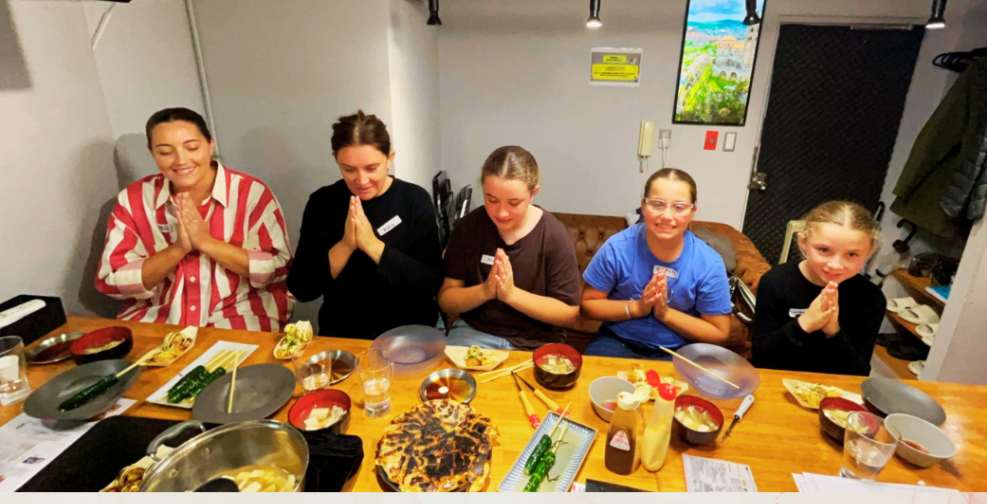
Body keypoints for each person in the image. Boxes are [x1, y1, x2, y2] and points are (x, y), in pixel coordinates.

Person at [96, 107, 293, 330]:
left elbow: (280, 268)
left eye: (192, 148)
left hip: (239, 310)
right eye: (165, 152)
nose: (181, 160)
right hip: (158, 315)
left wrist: (207, 243)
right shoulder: (134, 199)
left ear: (210, 144)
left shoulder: (250, 194)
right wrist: (178, 249)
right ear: (151, 153)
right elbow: (112, 281)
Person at [287, 110, 444, 340]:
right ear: (336, 160)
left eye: (371, 168)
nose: (361, 180)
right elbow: (302, 288)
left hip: (408, 333)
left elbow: (431, 282)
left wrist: (372, 245)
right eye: (349, 169)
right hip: (343, 334)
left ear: (389, 159)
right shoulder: (322, 203)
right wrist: (346, 245)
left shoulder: (413, 200)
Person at [580, 168, 733, 359]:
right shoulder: (617, 247)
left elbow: (719, 332)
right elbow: (587, 306)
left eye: (679, 207)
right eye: (657, 204)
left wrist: (665, 314)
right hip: (617, 341)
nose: (667, 216)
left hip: (678, 348)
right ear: (644, 206)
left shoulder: (708, 263)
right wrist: (637, 307)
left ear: (692, 211)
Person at [439, 146, 581, 350]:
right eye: (492, 200)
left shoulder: (553, 235)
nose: (501, 213)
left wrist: (511, 295)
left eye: (514, 203)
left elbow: (568, 313)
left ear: (533, 194)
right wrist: (485, 291)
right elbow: (446, 299)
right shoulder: (468, 228)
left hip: (536, 339)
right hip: (475, 332)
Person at [752, 200, 886, 375]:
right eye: (823, 250)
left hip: (832, 385)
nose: (835, 265)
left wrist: (833, 332)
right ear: (803, 242)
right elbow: (761, 358)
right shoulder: (775, 282)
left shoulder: (871, 297)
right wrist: (805, 323)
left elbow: (858, 373)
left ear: (869, 250)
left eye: (852, 254)